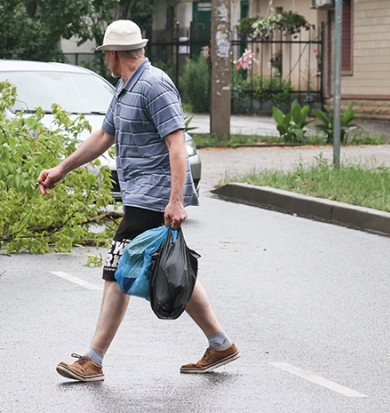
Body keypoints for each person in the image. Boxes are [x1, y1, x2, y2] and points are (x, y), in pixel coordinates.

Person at [37, 20, 239, 382]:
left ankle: (93, 359)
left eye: (106, 54)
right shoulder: (124, 87)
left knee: (117, 269)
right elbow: (104, 136)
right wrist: (61, 168)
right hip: (139, 196)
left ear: (115, 54)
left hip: (155, 197)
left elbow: (177, 144)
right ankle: (220, 342)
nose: (105, 60)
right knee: (171, 268)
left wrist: (176, 200)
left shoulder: (154, 85)